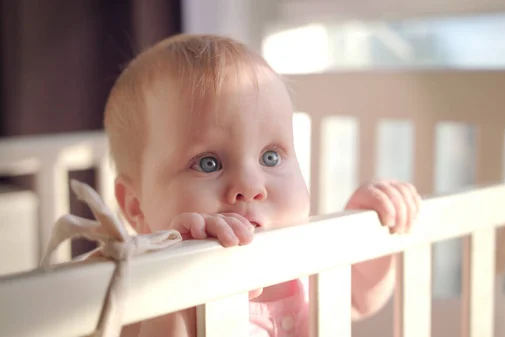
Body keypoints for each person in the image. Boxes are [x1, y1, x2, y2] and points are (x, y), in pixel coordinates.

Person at [104, 33, 421, 337]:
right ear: (136, 206)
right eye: (208, 163)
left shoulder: (306, 259)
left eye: (270, 157)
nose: (250, 186)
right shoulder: (134, 297)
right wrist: (179, 285)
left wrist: (370, 230)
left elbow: (359, 299)